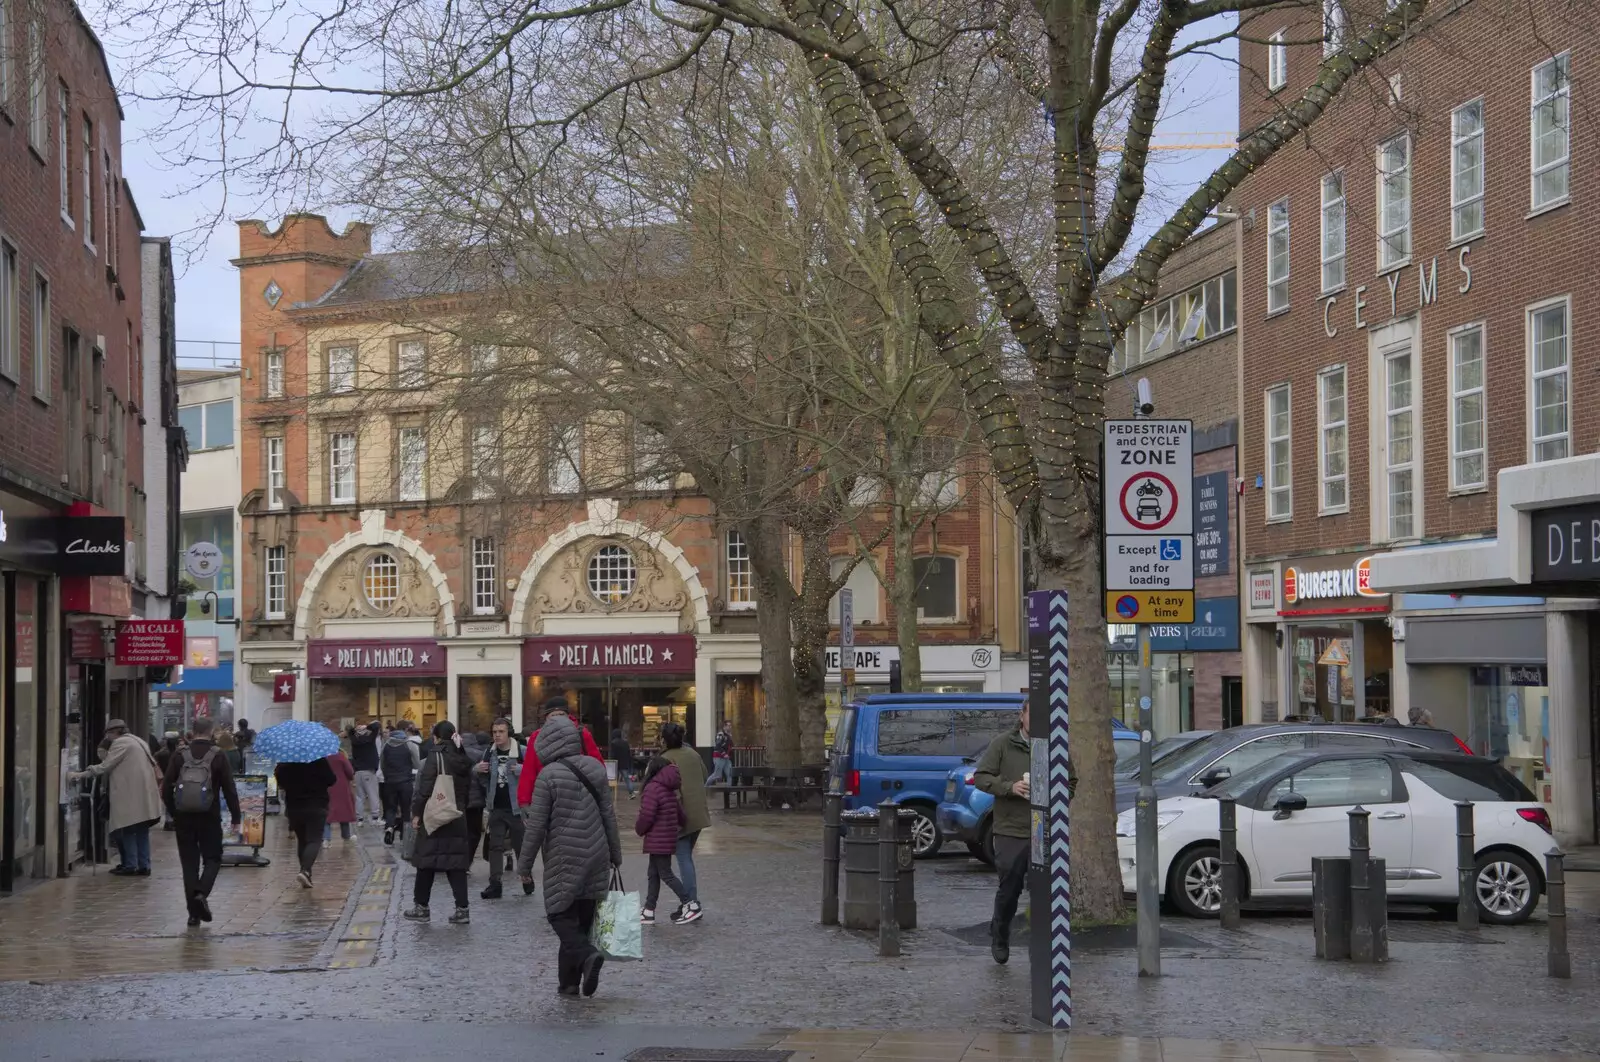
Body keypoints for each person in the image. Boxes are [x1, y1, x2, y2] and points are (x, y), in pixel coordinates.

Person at [517, 712, 622, 998]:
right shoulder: (596, 769)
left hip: (564, 856)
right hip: (598, 852)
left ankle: (587, 956)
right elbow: (608, 814)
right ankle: (569, 983)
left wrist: (524, 864)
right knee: (584, 919)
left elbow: (536, 825)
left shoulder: (547, 776)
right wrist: (616, 853)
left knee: (559, 914)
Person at [973, 701, 1039, 965]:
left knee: (1044, 888)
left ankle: (1043, 942)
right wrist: (1009, 787)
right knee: (1010, 887)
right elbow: (981, 777)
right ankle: (1000, 933)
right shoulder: (1003, 744)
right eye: (1031, 714)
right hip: (1010, 828)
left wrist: (1058, 796)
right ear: (1022, 716)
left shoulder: (1054, 744)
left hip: (1043, 828)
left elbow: (1070, 781)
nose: (1036, 720)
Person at [161, 718, 240, 926]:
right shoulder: (218, 755)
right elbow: (229, 789)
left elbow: (166, 788)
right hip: (209, 816)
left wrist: (174, 812)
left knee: (189, 864)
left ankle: (193, 915)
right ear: (211, 731)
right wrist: (236, 816)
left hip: (184, 817)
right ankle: (201, 893)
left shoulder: (179, 755)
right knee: (213, 858)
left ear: (192, 731)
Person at [70, 719, 163, 876]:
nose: (107, 737)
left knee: (126, 827)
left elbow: (105, 766)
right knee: (141, 830)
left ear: (114, 732)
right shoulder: (138, 741)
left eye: (108, 734)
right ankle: (144, 865)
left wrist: (80, 774)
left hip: (129, 795)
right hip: (143, 794)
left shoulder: (121, 743)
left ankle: (130, 865)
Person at [406, 721, 474, 924]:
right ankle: (462, 909)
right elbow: (468, 789)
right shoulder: (463, 758)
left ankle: (421, 906)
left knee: (426, 861)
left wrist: (416, 813)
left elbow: (425, 788)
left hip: (435, 814)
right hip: (456, 814)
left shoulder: (435, 757)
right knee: (456, 864)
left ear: (436, 737)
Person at [658, 722, 707, 923]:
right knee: (686, 857)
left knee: (684, 858)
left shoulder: (665, 758)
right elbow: (704, 774)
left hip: (679, 814)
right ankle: (689, 901)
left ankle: (691, 903)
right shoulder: (693, 754)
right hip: (699, 814)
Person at [516, 698, 605, 807]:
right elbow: (529, 770)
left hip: (579, 796)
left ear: (568, 716)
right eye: (553, 716)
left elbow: (597, 766)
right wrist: (524, 801)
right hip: (548, 796)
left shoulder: (582, 734)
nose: (557, 719)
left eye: (561, 714)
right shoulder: (537, 738)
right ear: (546, 718)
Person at [635, 756, 692, 925]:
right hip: (666, 838)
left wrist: (639, 829)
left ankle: (690, 903)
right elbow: (682, 816)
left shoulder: (653, 788)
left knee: (665, 874)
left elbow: (647, 815)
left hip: (657, 839)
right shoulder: (668, 788)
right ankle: (649, 910)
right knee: (653, 873)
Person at [475, 718, 527, 899]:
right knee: (495, 847)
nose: (497, 735)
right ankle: (495, 884)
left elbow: (537, 774)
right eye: (494, 732)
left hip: (516, 809)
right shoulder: (489, 753)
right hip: (496, 807)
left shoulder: (521, 752)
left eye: (501, 732)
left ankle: (526, 878)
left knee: (521, 847)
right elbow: (481, 778)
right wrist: (477, 769)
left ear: (509, 733)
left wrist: (523, 769)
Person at [274, 753, 337, 888]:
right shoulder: (318, 759)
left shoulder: (286, 760)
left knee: (302, 840)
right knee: (314, 840)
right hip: (316, 805)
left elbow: (280, 782)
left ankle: (306, 874)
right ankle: (305, 870)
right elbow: (331, 779)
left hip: (294, 806)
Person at [380, 723, 421, 846]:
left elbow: (382, 764)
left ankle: (389, 827)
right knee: (406, 808)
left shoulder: (386, 745)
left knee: (391, 808)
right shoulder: (409, 745)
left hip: (390, 782)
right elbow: (417, 764)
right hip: (405, 781)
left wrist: (388, 775)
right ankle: (404, 834)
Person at [349, 721, 383, 825]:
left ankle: (359, 819)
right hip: (368, 770)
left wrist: (356, 729)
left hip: (358, 771)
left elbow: (349, 730)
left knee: (360, 796)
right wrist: (366, 726)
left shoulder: (354, 740)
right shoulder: (369, 739)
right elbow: (377, 725)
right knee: (373, 793)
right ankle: (375, 817)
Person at [324, 749, 356, 842]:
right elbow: (350, 772)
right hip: (341, 787)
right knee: (344, 811)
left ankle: (326, 837)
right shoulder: (340, 757)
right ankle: (346, 835)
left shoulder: (322, 758)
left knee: (327, 812)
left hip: (327, 787)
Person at [608, 728, 636, 799]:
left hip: (615, 764)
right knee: (627, 779)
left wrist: (611, 761)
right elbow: (628, 754)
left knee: (613, 779)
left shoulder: (613, 743)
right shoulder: (625, 743)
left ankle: (610, 793)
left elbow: (613, 755)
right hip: (624, 764)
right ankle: (631, 793)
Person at [706, 722, 734, 787]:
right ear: (724, 727)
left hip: (726, 758)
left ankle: (729, 789)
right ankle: (705, 787)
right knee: (717, 775)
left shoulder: (729, 735)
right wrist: (724, 754)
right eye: (728, 725)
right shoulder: (720, 734)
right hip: (719, 757)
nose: (730, 727)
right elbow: (718, 745)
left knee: (729, 773)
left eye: (730, 725)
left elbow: (729, 746)